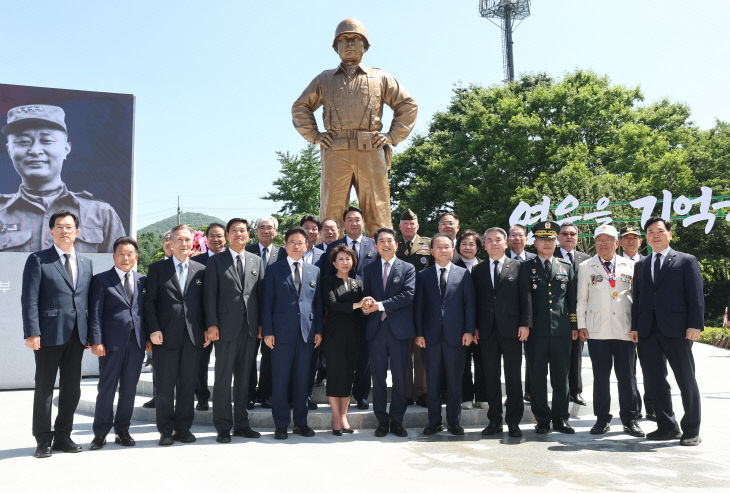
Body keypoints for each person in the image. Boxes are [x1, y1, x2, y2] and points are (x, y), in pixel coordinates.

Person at [292, 18, 417, 233]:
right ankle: (329, 259)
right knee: (331, 212)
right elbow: (300, 107)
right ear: (336, 47)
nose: (349, 44)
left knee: (377, 209)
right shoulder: (325, 79)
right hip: (335, 148)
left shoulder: (380, 77)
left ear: (365, 46)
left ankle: (381, 259)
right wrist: (315, 135)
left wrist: (391, 136)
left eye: (355, 39)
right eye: (344, 40)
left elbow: (407, 105)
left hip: (370, 148)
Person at [1, 104, 125, 252]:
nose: (35, 151)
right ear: (9, 150)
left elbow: (118, 271)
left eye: (47, 141)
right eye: (23, 142)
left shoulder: (101, 214)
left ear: (66, 149)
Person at [21, 210, 93, 458]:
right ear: (51, 232)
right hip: (48, 335)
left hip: (77, 335)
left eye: (69, 227)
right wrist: (32, 332)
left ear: (77, 232)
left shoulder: (85, 262)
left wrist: (90, 333)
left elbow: (86, 300)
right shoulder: (38, 260)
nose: (65, 231)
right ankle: (43, 440)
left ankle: (63, 436)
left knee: (72, 389)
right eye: (59, 227)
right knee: (44, 389)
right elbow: (29, 299)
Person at [632, 217, 704, 446]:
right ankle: (666, 426)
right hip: (648, 332)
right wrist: (635, 327)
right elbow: (639, 299)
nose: (655, 235)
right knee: (654, 381)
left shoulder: (686, 261)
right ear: (646, 237)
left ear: (669, 235)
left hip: (678, 331)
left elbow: (695, 296)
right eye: (650, 232)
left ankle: (691, 429)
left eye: (660, 231)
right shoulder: (641, 264)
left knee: (686, 379)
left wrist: (695, 325)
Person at [576, 225, 644, 438]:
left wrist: (636, 326)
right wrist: (581, 325)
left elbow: (637, 300)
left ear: (617, 243)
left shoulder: (630, 265)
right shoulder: (587, 266)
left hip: (624, 329)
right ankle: (601, 419)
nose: (603, 244)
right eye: (599, 240)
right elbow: (581, 299)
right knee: (601, 377)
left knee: (627, 378)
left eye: (608, 240)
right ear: (595, 243)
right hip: (597, 331)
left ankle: (630, 419)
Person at [144, 224, 206, 446]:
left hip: (192, 337)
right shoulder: (157, 269)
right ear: (170, 242)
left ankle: (183, 429)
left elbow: (204, 304)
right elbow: (149, 303)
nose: (184, 244)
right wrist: (153, 329)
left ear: (193, 243)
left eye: (187, 240)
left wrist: (207, 329)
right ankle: (166, 430)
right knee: (165, 386)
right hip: (165, 336)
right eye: (179, 239)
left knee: (188, 385)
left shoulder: (200, 270)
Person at [203, 218, 263, 443]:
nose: (239, 234)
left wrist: (261, 325)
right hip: (225, 330)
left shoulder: (256, 261)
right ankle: (223, 426)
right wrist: (211, 325)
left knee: (244, 380)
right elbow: (209, 296)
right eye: (235, 231)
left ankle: (242, 424)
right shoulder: (216, 261)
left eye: (243, 230)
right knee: (222, 379)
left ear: (249, 235)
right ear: (227, 235)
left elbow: (260, 296)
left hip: (249, 330)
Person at [261, 226, 323, 440]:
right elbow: (266, 303)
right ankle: (280, 424)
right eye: (292, 242)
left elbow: (318, 304)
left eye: (301, 243)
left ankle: (301, 423)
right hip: (280, 334)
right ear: (285, 246)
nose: (297, 246)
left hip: (307, 335)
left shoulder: (314, 271)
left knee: (302, 380)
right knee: (280, 380)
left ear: (307, 246)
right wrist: (268, 331)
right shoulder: (274, 270)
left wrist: (319, 331)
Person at [88, 236, 147, 450]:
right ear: (114, 256)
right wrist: (97, 341)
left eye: (129, 253)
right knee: (107, 388)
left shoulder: (143, 280)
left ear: (136, 256)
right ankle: (100, 434)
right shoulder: (102, 280)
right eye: (121, 253)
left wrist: (147, 338)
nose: (125, 257)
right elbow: (95, 314)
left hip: (136, 344)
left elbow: (145, 313)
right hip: (110, 345)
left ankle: (123, 431)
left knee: (129, 389)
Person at [472, 227, 531, 438]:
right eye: (489, 240)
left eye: (498, 240)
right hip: (486, 331)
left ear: (505, 243)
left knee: (513, 378)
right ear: (484, 245)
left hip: (512, 331)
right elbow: (474, 302)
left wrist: (525, 324)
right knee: (491, 378)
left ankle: (514, 422)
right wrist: (474, 326)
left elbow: (526, 298)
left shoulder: (519, 267)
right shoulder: (477, 270)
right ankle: (494, 421)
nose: (494, 243)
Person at [414, 233, 475, 436]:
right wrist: (419, 333)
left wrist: (468, 330)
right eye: (438, 247)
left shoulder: (463, 274)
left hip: (456, 337)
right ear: (432, 251)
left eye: (446, 246)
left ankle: (454, 423)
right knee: (432, 382)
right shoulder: (423, 276)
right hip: (430, 337)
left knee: (454, 382)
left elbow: (469, 305)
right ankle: (434, 422)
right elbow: (419, 308)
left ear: (452, 250)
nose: (442, 250)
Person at [362, 227, 416, 438]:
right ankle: (381, 421)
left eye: (389, 240)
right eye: (381, 241)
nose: (386, 244)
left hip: (399, 331)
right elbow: (367, 294)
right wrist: (367, 304)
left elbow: (408, 295)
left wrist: (380, 305)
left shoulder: (407, 268)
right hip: (376, 330)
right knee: (378, 377)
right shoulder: (370, 269)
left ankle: (397, 420)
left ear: (396, 244)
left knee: (400, 378)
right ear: (376, 246)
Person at [525, 221, 578, 434]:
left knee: (561, 377)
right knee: (537, 377)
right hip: (535, 332)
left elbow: (572, 300)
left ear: (556, 242)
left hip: (561, 331)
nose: (546, 243)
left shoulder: (566, 267)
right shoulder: (526, 268)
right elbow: (524, 300)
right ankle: (542, 419)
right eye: (542, 239)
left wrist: (574, 325)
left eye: (550, 240)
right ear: (535, 242)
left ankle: (561, 418)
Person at [327, 206, 378, 409]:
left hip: (368, 308)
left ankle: (362, 394)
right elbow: (328, 280)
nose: (354, 223)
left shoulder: (374, 245)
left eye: (358, 219)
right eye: (350, 219)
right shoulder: (334, 246)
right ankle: (343, 395)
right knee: (342, 358)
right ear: (344, 224)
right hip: (340, 311)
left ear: (363, 222)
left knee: (364, 355)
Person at [321, 244, 366, 435]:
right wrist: (357, 304)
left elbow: (363, 310)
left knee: (349, 375)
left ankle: (344, 416)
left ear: (353, 261)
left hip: (354, 335)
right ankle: (335, 417)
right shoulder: (327, 281)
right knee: (335, 375)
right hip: (333, 335)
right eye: (340, 259)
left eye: (348, 259)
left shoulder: (358, 283)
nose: (345, 262)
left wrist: (366, 305)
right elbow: (332, 305)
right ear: (334, 262)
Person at [396, 208, 432, 407]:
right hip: (401, 306)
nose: (409, 227)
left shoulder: (427, 244)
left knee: (420, 352)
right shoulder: (394, 244)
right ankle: (406, 392)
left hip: (423, 304)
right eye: (405, 224)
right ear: (400, 226)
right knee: (403, 353)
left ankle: (422, 392)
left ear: (417, 226)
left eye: (412, 224)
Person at [619, 224, 655, 421]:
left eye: (635, 238)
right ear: (620, 242)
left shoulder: (650, 262)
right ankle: (634, 408)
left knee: (651, 368)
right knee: (628, 371)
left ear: (641, 242)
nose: (631, 241)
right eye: (627, 237)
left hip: (647, 323)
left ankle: (653, 407)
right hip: (623, 322)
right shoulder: (613, 263)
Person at [246, 215, 281, 410]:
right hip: (250, 313)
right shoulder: (246, 251)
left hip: (274, 315)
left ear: (276, 231)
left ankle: (265, 394)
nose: (266, 231)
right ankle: (249, 394)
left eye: (270, 227)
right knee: (249, 357)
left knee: (269, 356)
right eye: (261, 227)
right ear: (256, 231)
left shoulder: (283, 253)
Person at [191, 222, 226, 411]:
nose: (216, 239)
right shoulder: (197, 262)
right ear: (206, 238)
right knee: (201, 361)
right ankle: (202, 396)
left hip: (228, 320)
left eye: (220, 235)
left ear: (225, 237)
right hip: (203, 321)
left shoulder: (231, 259)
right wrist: (205, 324)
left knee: (226, 361)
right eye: (212, 235)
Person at [555, 222, 590, 406]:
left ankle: (575, 391)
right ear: (558, 237)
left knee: (576, 354)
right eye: (564, 233)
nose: (569, 237)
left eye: (572, 234)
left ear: (577, 237)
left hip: (578, 314)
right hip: (555, 314)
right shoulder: (549, 255)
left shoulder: (586, 259)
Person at [454, 229, 486, 410]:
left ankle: (482, 396)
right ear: (458, 246)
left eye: (471, 244)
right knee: (463, 362)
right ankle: (465, 396)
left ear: (478, 247)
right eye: (464, 244)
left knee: (482, 361)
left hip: (482, 325)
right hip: (459, 324)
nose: (467, 247)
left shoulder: (485, 265)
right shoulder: (452, 265)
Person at [142, 230, 173, 409]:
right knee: (158, 367)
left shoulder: (193, 267)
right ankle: (157, 396)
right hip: (160, 328)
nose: (170, 243)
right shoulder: (155, 268)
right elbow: (150, 301)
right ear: (163, 244)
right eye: (167, 239)